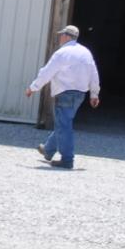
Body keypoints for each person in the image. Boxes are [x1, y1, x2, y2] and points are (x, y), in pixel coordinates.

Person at [25, 24, 100, 170]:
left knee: (64, 125)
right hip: (80, 95)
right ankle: (48, 149)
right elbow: (94, 73)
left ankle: (67, 159)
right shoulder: (86, 52)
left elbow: (47, 72)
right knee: (63, 123)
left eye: (61, 35)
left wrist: (33, 88)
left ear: (66, 36)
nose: (59, 37)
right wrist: (94, 94)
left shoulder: (62, 53)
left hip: (65, 93)